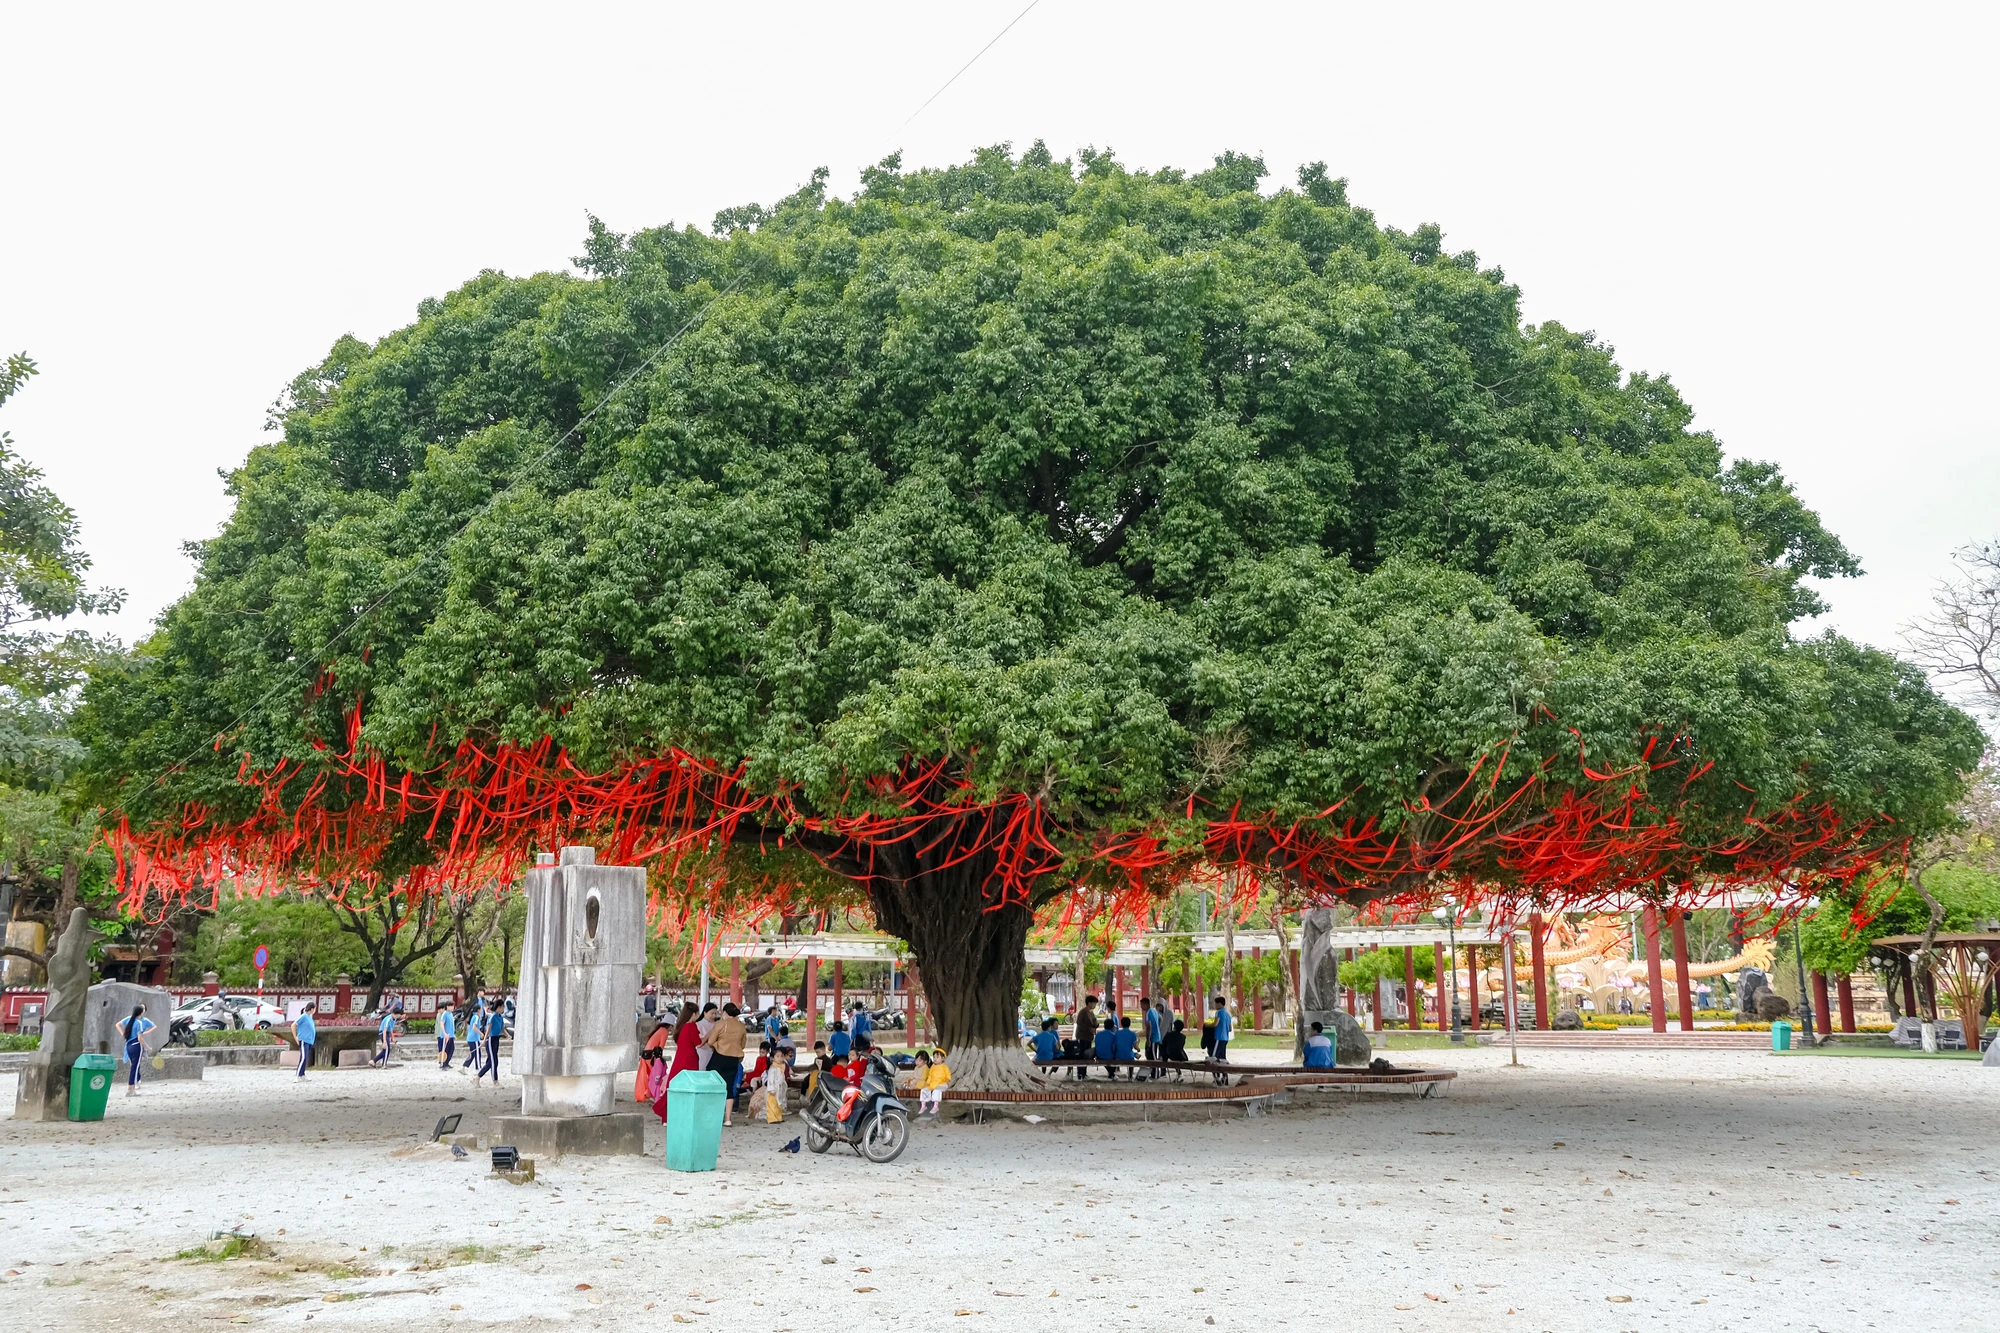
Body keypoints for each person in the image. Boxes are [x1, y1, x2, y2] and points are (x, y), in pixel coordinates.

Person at [654, 1001, 702, 1123]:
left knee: (674, 1086)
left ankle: (667, 1116)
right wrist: (710, 1036)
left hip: (680, 1058)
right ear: (694, 1014)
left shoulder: (682, 1026)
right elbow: (699, 1043)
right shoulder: (691, 1026)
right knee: (687, 1087)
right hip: (690, 1060)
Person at [706, 1002, 748, 1127]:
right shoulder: (741, 1027)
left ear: (725, 1012)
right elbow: (743, 1045)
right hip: (733, 1059)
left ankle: (714, 1116)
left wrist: (718, 1045)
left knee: (714, 1087)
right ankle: (728, 1118)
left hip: (719, 1057)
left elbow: (710, 1041)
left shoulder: (721, 1024)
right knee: (729, 1088)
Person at [120, 1004, 156, 1095]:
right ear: (141, 1012)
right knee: (135, 1068)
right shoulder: (139, 1023)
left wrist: (123, 1034)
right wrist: (148, 1047)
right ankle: (130, 1089)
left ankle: (131, 1088)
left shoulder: (129, 1020)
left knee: (133, 1067)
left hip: (128, 1046)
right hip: (136, 1046)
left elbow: (118, 1025)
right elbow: (140, 1038)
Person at [636, 1018, 670, 1102]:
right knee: (656, 1076)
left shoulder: (659, 1030)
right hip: (652, 1055)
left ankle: (648, 1092)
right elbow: (661, 1047)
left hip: (646, 1054)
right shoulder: (665, 1031)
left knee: (651, 1075)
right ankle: (653, 1093)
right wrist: (659, 1057)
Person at [1070, 995, 1100, 1080]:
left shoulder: (1091, 1012)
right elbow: (1080, 1024)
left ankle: (1084, 1073)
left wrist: (1095, 1026)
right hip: (1083, 1037)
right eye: (1094, 1003)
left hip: (1089, 1037)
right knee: (1082, 1055)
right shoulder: (1083, 1012)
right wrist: (1089, 1029)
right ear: (1089, 1003)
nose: (1094, 1005)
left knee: (1087, 1055)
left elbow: (1094, 1022)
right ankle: (1080, 1073)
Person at [760, 1041, 789, 1122]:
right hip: (773, 1090)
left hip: (779, 1089)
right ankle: (772, 1118)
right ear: (773, 1058)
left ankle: (778, 1117)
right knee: (772, 1104)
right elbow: (770, 1080)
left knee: (778, 1104)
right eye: (778, 1056)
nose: (780, 1058)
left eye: (781, 1056)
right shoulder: (773, 1068)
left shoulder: (782, 1067)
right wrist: (771, 1089)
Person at [918, 1048, 951, 1116]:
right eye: (934, 1057)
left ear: (942, 1058)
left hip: (942, 1084)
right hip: (933, 1084)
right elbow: (930, 1076)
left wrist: (946, 1082)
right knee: (924, 1090)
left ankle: (936, 1106)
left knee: (936, 1091)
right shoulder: (932, 1067)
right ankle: (923, 1105)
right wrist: (927, 1084)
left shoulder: (945, 1067)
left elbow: (948, 1077)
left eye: (937, 1057)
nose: (935, 1059)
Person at [1210, 996, 1234, 1084]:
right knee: (1222, 1059)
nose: (1215, 1005)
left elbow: (1215, 1024)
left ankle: (1217, 1078)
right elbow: (1230, 1028)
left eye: (1215, 1004)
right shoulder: (1228, 1014)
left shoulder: (1219, 1012)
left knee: (1213, 1058)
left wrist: (1208, 1025)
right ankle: (1225, 1077)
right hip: (1225, 1038)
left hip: (1218, 1038)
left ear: (1219, 1004)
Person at [482, 998, 505, 1083]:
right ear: (499, 1007)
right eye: (503, 1007)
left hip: (496, 1039)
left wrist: (508, 1035)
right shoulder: (493, 1016)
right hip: (491, 1039)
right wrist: (484, 1040)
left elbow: (503, 1028)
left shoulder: (500, 1017)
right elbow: (488, 1029)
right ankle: (495, 1080)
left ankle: (477, 1077)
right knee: (492, 1061)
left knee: (492, 1061)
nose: (503, 1009)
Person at [1151, 998, 1174, 1080]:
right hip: (1156, 1036)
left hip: (1165, 1037)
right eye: (1158, 1006)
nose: (1159, 1008)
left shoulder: (1169, 1013)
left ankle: (1163, 1071)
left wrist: (1170, 1034)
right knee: (1155, 1054)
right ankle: (1155, 1071)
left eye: (1160, 1006)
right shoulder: (1155, 1013)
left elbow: (1171, 1024)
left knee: (1163, 1055)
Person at [462, 1000, 487, 1074]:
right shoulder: (476, 1017)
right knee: (477, 1053)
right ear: (479, 1010)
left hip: (471, 1038)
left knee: (473, 1053)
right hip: (474, 1038)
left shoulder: (474, 1016)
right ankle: (478, 1067)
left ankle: (464, 1066)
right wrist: (481, 1033)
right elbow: (474, 1027)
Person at [293, 1005, 317, 1078]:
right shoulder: (303, 1016)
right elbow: (293, 1025)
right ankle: (297, 1075)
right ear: (312, 1009)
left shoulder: (310, 1017)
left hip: (309, 1041)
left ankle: (302, 1074)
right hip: (304, 1040)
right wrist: (296, 1037)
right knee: (303, 1057)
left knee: (306, 1057)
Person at [1092, 1014, 1119, 1079]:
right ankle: (1111, 1073)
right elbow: (1114, 1047)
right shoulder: (1113, 1036)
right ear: (1112, 1027)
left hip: (1099, 1055)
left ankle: (1111, 1073)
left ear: (1104, 1026)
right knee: (1116, 1055)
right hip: (1109, 1056)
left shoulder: (1098, 1035)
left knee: (1106, 1055)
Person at [436, 1001, 456, 1069]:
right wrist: (444, 1033)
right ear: (447, 1006)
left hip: (451, 1035)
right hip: (446, 1035)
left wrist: (454, 1034)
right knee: (445, 1050)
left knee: (452, 1049)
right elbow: (442, 1024)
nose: (452, 1007)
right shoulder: (445, 1014)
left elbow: (452, 1025)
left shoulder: (451, 1014)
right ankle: (443, 1064)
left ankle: (447, 1062)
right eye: (451, 1006)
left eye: (453, 1006)